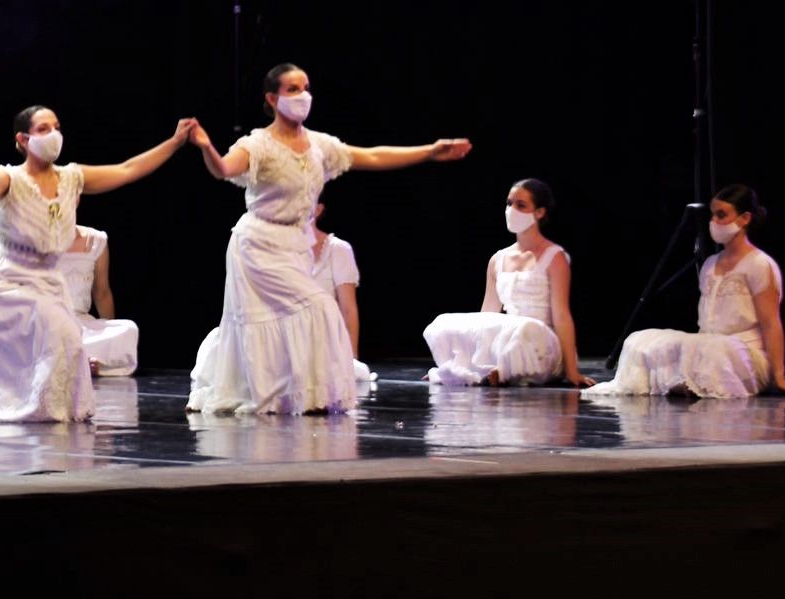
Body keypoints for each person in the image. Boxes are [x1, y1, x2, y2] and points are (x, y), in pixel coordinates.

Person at [185, 63, 470, 415]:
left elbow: (372, 155)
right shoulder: (258, 144)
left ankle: (293, 396)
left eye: (305, 87)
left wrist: (429, 151)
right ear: (272, 99)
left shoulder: (319, 145)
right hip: (257, 246)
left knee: (303, 315)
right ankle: (280, 394)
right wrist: (205, 147)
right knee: (318, 309)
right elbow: (225, 169)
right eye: (292, 89)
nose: (302, 95)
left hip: (294, 244)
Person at [0, 108, 195, 423]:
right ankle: (31, 409)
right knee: (56, 332)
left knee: (68, 338)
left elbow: (127, 169)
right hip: (1, 279)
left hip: (46, 277)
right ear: (23, 139)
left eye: (56, 127)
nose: (53, 134)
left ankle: (46, 410)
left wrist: (175, 142)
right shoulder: (10, 179)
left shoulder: (71, 178)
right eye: (44, 129)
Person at [587, 185, 785, 400]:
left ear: (745, 218)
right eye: (713, 215)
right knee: (641, 339)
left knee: (714, 348)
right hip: (709, 344)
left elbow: (771, 324)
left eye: (722, 215)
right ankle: (683, 379)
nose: (714, 221)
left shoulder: (759, 264)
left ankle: (694, 379)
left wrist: (778, 377)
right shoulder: (710, 264)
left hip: (745, 354)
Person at [423, 179, 595, 388]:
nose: (512, 210)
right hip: (508, 336)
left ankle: (501, 370)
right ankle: (484, 369)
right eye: (509, 203)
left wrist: (571, 371)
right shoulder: (498, 259)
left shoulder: (554, 256)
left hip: (541, 342)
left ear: (539, 212)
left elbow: (561, 315)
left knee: (525, 329)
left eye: (521, 205)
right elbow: (488, 315)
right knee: (446, 322)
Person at [306, 202, 375, 383]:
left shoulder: (337, 249)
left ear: (319, 209)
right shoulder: (280, 251)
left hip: (324, 342)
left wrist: (351, 361)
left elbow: (348, 309)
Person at [58, 225, 138, 377]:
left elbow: (102, 293)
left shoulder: (96, 240)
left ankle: (77, 359)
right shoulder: (36, 238)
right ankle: (77, 360)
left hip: (82, 325)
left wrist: (108, 332)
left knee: (129, 329)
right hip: (48, 323)